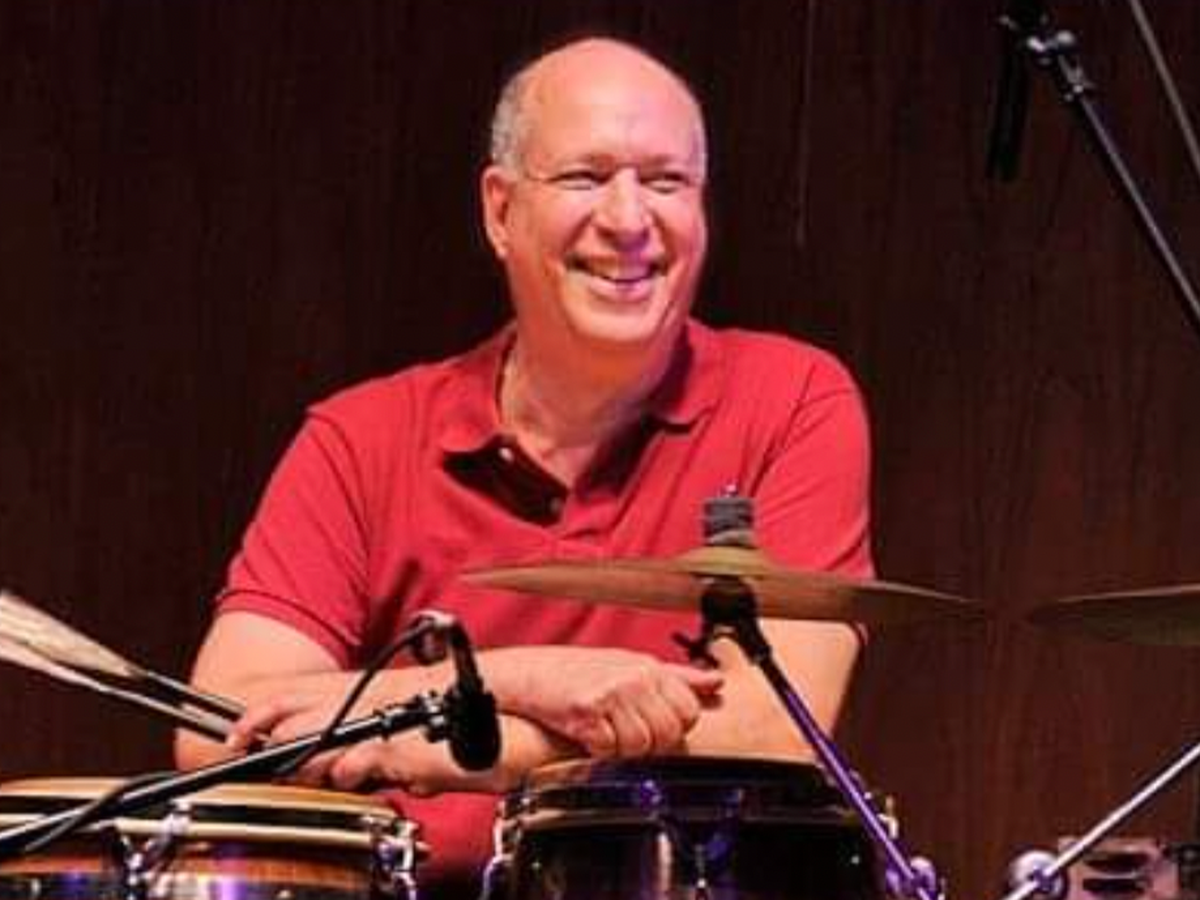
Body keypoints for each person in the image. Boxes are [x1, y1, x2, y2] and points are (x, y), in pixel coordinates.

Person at [176, 36, 872, 897]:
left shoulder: (793, 399)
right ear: (500, 211)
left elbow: (770, 740)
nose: (629, 219)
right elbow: (218, 729)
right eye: (585, 177)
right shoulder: (360, 437)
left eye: (666, 182)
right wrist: (527, 678)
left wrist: (431, 745)